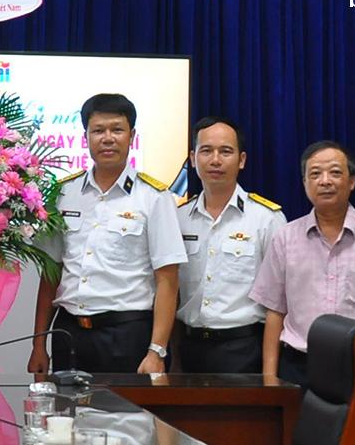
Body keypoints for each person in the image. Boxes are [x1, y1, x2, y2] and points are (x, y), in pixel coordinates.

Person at [28, 93, 187, 374]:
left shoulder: (154, 198)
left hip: (127, 336)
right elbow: (50, 273)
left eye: (117, 129)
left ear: (132, 136)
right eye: (98, 130)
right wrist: (38, 344)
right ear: (86, 137)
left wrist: (157, 350)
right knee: (68, 418)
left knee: (129, 418)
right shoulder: (64, 193)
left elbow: (168, 280)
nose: (108, 138)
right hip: (69, 334)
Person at [250, 141, 355, 428]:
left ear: (352, 181)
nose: (325, 181)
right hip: (299, 369)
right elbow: (274, 313)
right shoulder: (285, 238)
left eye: (335, 172)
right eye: (315, 174)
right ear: (305, 183)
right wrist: (270, 380)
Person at [175, 117, 286, 373]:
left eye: (226, 151)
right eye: (206, 151)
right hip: (189, 348)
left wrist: (270, 373)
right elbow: (172, 292)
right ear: (193, 159)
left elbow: (278, 302)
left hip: (244, 350)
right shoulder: (177, 218)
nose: (215, 160)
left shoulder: (267, 219)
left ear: (242, 159)